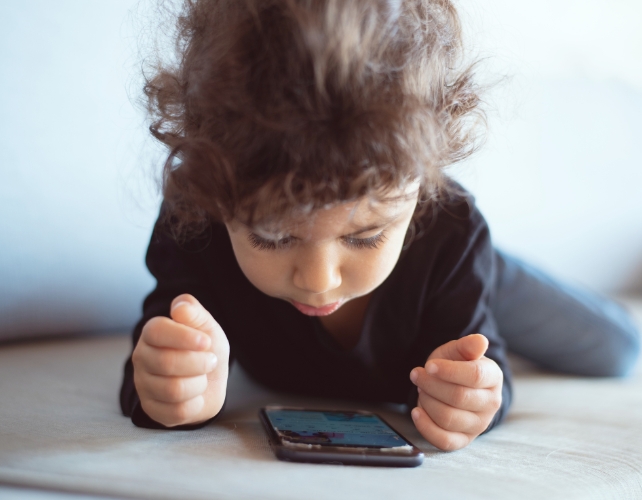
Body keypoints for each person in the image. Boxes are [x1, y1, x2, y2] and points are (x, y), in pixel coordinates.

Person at [120, 0, 640, 451]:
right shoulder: (196, 215)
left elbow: (484, 386)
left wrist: (471, 398)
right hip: (427, 254)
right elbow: (151, 367)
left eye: (364, 234)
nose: (319, 281)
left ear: (420, 187)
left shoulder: (448, 230)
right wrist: (169, 389)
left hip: (440, 264)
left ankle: (488, 270)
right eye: (273, 237)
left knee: (618, 350)